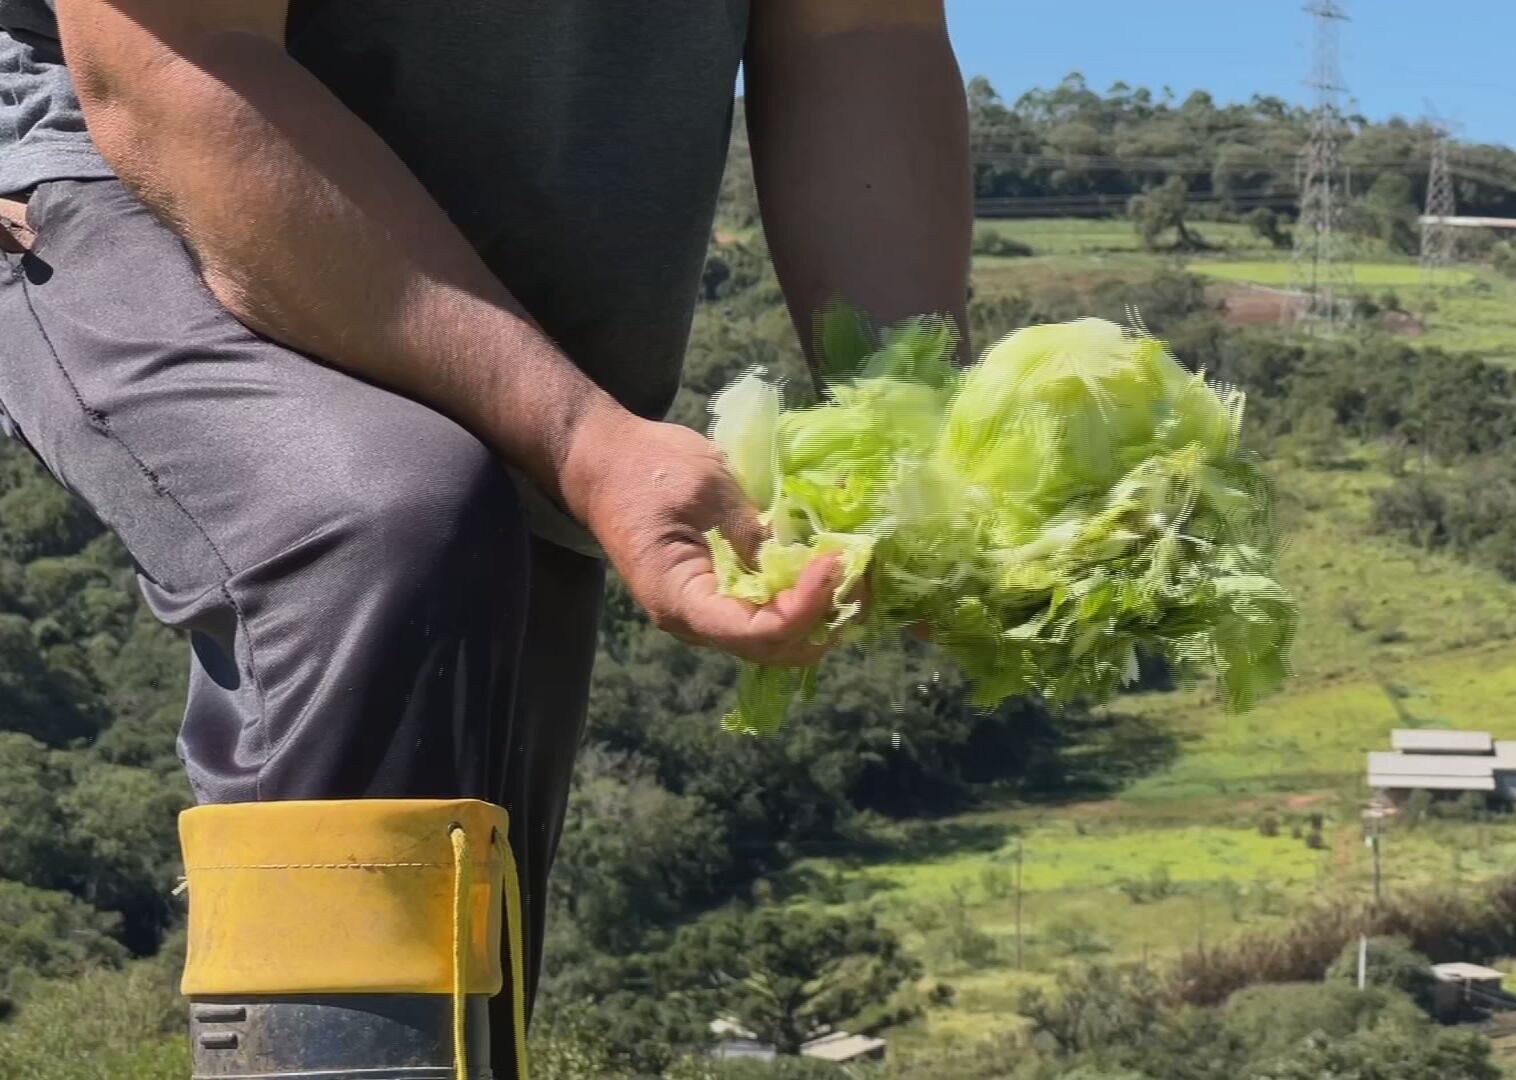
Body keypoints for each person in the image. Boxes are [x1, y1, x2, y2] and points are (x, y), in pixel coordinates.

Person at [0, 0, 970, 1066]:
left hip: (532, 283)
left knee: (464, 950)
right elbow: (174, 69)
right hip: (137, 160)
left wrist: (907, 439)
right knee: (381, 526)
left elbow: (852, 36)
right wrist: (575, 436)